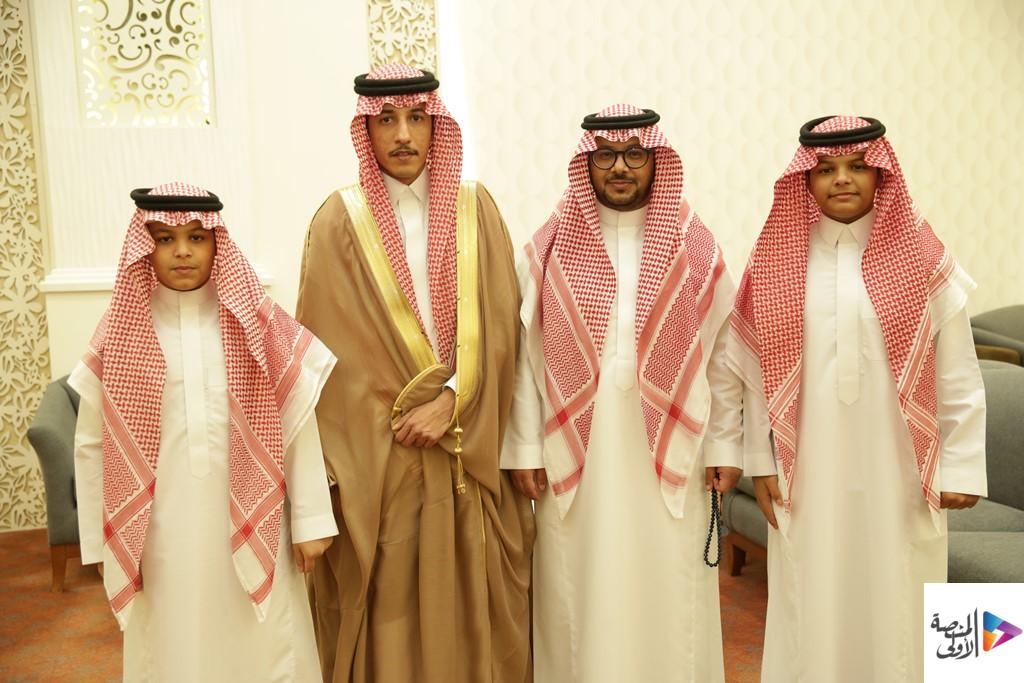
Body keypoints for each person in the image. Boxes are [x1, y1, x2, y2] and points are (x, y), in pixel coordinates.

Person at [719, 116, 987, 682]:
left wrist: (963, 465)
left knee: (903, 599)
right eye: (826, 169)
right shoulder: (775, 262)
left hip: (902, 472)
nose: (842, 178)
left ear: (881, 173)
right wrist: (761, 462)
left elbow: (959, 373)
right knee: (809, 598)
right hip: (806, 474)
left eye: (857, 166)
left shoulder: (924, 257)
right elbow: (752, 378)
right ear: (806, 180)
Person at [296, 64, 534, 682]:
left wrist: (453, 399)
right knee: (393, 610)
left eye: (416, 118)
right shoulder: (337, 220)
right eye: (386, 120)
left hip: (468, 444)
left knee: (476, 604)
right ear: (366, 130)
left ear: (436, 124)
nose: (403, 134)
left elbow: (503, 327)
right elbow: (327, 356)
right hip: (387, 457)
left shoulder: (476, 209)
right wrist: (397, 425)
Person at [501, 104, 741, 682]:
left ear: (657, 161)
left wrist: (725, 446)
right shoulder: (547, 248)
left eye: (635, 154)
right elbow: (523, 360)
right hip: (577, 462)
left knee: (669, 583)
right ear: (587, 163)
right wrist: (525, 449)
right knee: (581, 586)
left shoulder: (695, 247)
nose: (620, 168)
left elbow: (724, 359)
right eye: (606, 155)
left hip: (674, 457)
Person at [69, 182, 338, 681]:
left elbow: (298, 423)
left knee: (264, 647)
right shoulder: (121, 331)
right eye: (165, 238)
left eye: (196, 237)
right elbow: (91, 445)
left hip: (257, 519)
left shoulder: (257, 323)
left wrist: (310, 520)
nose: (182, 251)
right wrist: (100, 542)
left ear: (217, 243)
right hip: (160, 533)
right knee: (172, 647)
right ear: (145, 247)